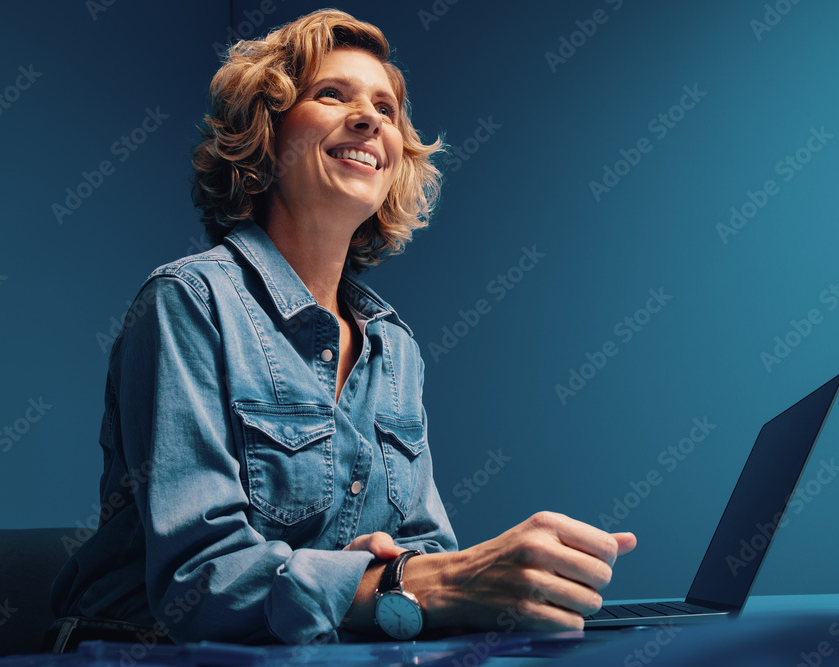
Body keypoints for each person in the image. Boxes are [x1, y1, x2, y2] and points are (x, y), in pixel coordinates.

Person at [50, 8, 636, 646]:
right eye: (332, 95)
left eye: (386, 108)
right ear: (265, 136)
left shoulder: (395, 347)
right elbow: (202, 582)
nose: (370, 120)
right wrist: (404, 583)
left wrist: (432, 581)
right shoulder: (187, 303)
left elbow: (422, 554)